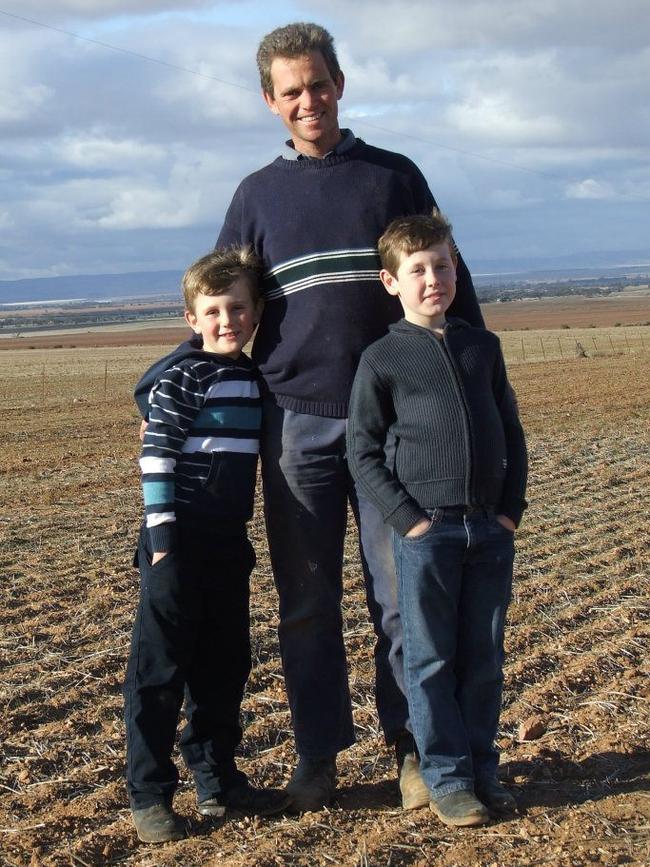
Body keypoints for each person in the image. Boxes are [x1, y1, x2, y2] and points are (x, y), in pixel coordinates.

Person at [134, 21, 485, 813]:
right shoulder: (256, 196)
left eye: (318, 84)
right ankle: (318, 756)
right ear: (270, 101)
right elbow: (220, 306)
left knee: (401, 598)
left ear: (340, 84)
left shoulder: (394, 176)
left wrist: (477, 378)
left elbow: (448, 278)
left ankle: (415, 752)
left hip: (396, 426)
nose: (308, 100)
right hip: (294, 425)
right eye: (290, 91)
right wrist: (175, 392)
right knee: (306, 600)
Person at [346, 212, 528, 827]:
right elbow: (363, 452)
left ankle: (483, 770)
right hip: (429, 533)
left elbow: (511, 432)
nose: (433, 279)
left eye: (443, 266)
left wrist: (509, 512)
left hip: (488, 531)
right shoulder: (382, 358)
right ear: (391, 282)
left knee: (483, 655)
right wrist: (409, 520)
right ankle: (447, 780)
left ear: (457, 271)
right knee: (429, 662)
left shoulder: (483, 346)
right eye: (417, 270)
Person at [124, 248, 289, 844]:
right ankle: (150, 794)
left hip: (226, 544)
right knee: (160, 670)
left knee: (225, 666)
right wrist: (163, 536)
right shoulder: (184, 374)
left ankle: (218, 781)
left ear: (256, 312)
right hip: (177, 541)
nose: (227, 321)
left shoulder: (252, 376)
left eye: (238, 309)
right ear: (192, 319)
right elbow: (156, 453)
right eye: (213, 311)